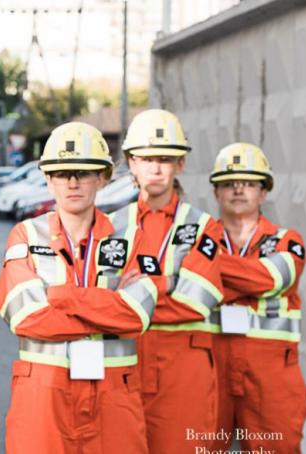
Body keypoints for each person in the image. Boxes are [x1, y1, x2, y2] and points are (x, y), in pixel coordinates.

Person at [0, 122, 157, 453]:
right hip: (43, 394)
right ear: (47, 179)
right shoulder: (26, 234)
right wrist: (105, 308)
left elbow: (137, 315)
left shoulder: (131, 237)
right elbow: (24, 317)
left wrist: (60, 296)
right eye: (61, 172)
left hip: (114, 393)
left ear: (103, 177)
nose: (71, 182)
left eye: (83, 172)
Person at [107, 109, 224, 453]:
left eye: (165, 159)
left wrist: (135, 294)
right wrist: (171, 282)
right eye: (146, 159)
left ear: (180, 165)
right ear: (131, 162)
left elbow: (197, 300)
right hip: (124, 365)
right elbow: (100, 297)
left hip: (183, 371)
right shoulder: (110, 226)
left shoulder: (204, 226)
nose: (156, 168)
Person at [207, 143, 306, 452]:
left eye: (249, 183)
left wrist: (208, 269)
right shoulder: (201, 239)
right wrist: (247, 277)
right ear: (216, 192)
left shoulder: (288, 241)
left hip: (270, 376)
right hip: (211, 368)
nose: (238, 189)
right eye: (229, 183)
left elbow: (270, 279)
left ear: (263, 193)